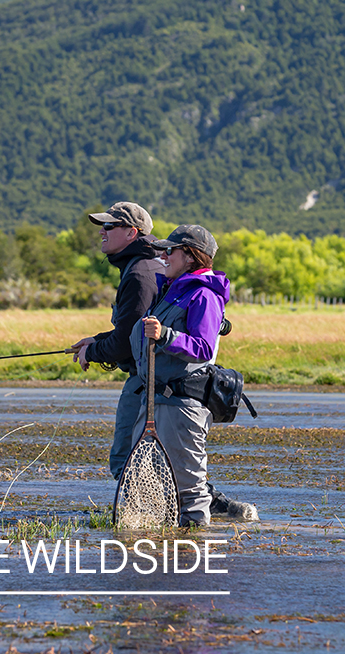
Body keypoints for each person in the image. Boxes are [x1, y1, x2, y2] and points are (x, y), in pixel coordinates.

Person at [128, 225, 230, 528]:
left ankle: (193, 563)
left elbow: (203, 348)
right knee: (141, 478)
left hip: (183, 407)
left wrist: (165, 335)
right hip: (153, 401)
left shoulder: (204, 296)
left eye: (170, 250)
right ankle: (162, 558)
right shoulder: (170, 292)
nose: (163, 255)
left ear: (190, 257)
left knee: (189, 492)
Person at [69, 202, 163, 480]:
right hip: (156, 380)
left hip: (148, 381)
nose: (102, 232)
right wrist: (96, 340)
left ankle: (147, 520)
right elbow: (133, 330)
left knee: (125, 459)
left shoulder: (139, 274)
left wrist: (94, 352)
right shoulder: (146, 265)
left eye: (109, 226)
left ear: (132, 233)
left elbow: (126, 344)